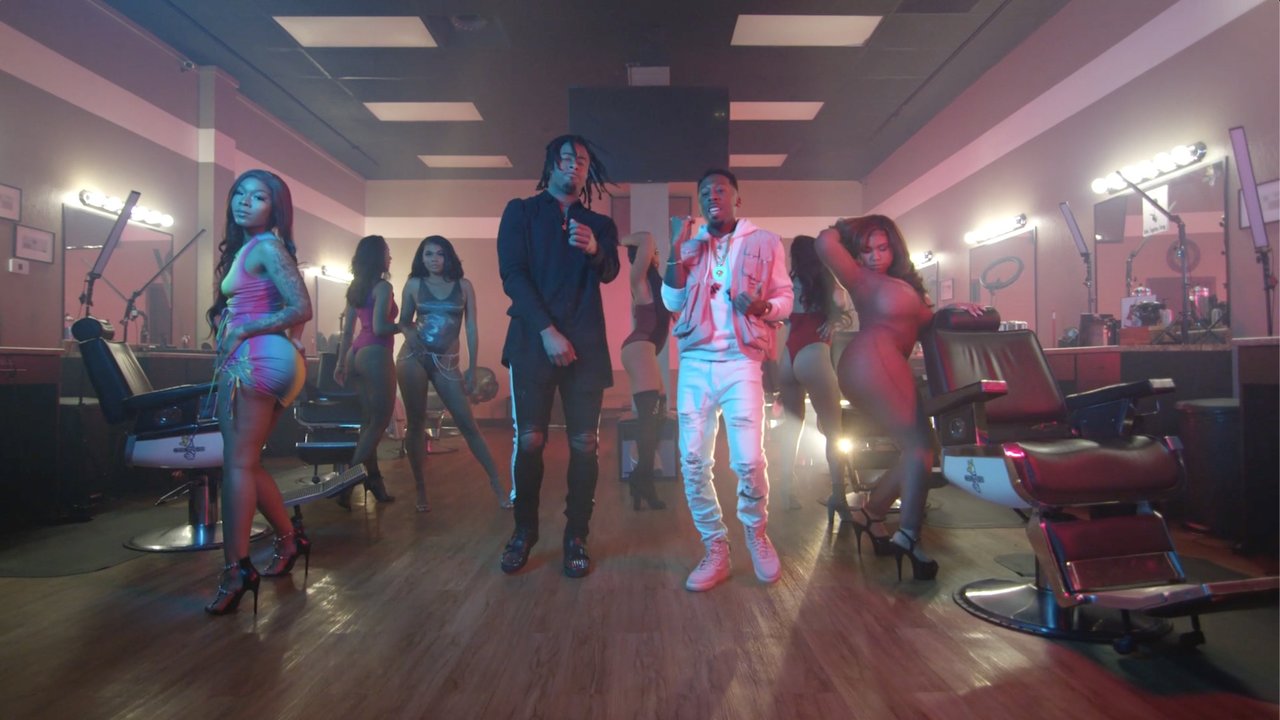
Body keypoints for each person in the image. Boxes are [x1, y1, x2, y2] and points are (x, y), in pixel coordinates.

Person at [814, 214, 983, 581]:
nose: (875, 256)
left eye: (882, 247)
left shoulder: (907, 286)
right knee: (921, 448)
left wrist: (953, 308)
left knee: (921, 449)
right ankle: (907, 535)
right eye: (866, 250)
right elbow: (824, 242)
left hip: (882, 363)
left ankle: (872, 512)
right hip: (870, 360)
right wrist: (852, 225)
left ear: (895, 248)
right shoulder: (860, 278)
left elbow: (925, 322)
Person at [662, 169, 793, 592]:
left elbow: (785, 298)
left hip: (742, 361)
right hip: (696, 362)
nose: (711, 196)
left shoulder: (765, 241)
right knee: (692, 461)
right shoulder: (691, 246)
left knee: (749, 460)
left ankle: (756, 533)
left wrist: (762, 307)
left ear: (737, 197)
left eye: (719, 189)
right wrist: (675, 249)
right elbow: (671, 300)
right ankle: (715, 546)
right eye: (704, 192)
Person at [497, 134, 620, 578]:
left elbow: (610, 272)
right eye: (566, 158)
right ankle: (523, 531)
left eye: (582, 160)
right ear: (551, 165)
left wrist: (595, 250)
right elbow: (512, 276)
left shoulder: (599, 223)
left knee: (585, 444)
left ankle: (576, 536)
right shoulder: (522, 212)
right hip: (533, 340)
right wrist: (547, 331)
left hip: (586, 345)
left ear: (588, 171)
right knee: (530, 439)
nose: (574, 165)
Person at [204, 169, 312, 615]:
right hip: (276, 360)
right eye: (240, 194)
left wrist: (243, 328)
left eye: (259, 196)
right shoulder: (255, 248)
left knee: (236, 464)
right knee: (249, 463)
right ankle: (290, 540)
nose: (245, 202)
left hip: (256, 359)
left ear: (276, 208)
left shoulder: (266, 245)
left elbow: (301, 306)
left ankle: (237, 570)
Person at [397, 235, 510, 512]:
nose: (433, 259)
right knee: (416, 422)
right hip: (413, 358)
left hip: (447, 363)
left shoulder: (464, 286)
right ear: (421, 258)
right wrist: (411, 338)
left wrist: (472, 368)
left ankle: (498, 485)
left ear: (448, 257)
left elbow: (471, 327)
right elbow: (404, 322)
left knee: (468, 424)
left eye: (439, 254)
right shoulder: (414, 284)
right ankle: (421, 490)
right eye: (428, 254)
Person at [770, 235, 849, 513]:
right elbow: (842, 307)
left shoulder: (788, 285)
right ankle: (839, 495)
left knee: (793, 427)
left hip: (788, 358)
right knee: (834, 430)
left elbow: (779, 316)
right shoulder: (829, 285)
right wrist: (834, 321)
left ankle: (785, 488)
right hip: (813, 354)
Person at [332, 235, 399, 508]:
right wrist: (407, 326)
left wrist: (340, 363)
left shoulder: (356, 287)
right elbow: (381, 328)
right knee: (380, 421)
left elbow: (348, 331)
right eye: (387, 252)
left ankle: (374, 481)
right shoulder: (383, 287)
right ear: (378, 257)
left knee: (368, 422)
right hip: (376, 352)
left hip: (355, 353)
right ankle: (346, 483)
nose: (390, 257)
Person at [619, 230, 671, 511]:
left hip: (645, 350)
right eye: (653, 253)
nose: (656, 254)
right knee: (649, 420)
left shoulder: (658, 287)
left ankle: (641, 478)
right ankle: (643, 480)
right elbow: (647, 238)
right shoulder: (638, 280)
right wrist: (618, 240)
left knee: (659, 416)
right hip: (638, 348)